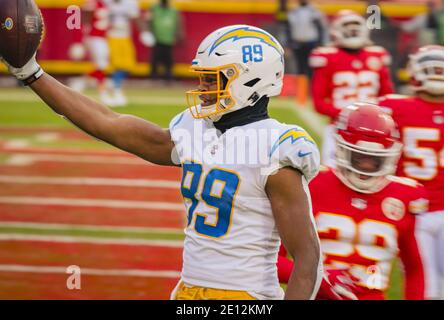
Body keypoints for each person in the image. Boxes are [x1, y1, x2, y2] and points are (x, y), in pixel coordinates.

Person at [1, 24, 323, 300]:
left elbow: (306, 257)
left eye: (212, 80)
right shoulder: (195, 130)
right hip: (189, 290)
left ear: (250, 81)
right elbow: (107, 123)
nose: (202, 88)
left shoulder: (275, 149)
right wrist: (32, 74)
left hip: (246, 294)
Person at [278, 103, 428, 300]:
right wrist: (320, 277)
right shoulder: (313, 184)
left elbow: (414, 268)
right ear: (341, 149)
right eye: (359, 157)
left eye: (375, 160)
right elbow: (272, 260)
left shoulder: (404, 196)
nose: (366, 165)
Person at [378, 45, 444, 299]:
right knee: (426, 286)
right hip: (417, 212)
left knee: (426, 287)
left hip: (413, 209)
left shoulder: (393, 107)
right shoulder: (395, 107)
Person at [309, 10, 394, 167]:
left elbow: (387, 97)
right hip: (339, 128)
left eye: (355, 26)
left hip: (375, 130)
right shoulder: (328, 57)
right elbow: (318, 103)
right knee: (333, 174)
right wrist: (351, 116)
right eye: (348, 27)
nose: (353, 31)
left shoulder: (377, 55)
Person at [106, 0, 147, 107]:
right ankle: (117, 89)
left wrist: (144, 32)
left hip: (124, 36)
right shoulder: (105, 2)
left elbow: (136, 18)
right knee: (115, 64)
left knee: (128, 64)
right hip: (110, 36)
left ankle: (113, 85)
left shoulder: (130, 2)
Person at [287, 0, 328, 78]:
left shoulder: (315, 12)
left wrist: (322, 44)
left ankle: (312, 89)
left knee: (312, 68)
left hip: (312, 44)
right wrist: (287, 45)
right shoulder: (293, 12)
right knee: (299, 69)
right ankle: (301, 89)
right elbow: (288, 29)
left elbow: (322, 29)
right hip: (297, 43)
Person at [148, 0, 184, 81]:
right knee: (155, 58)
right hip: (157, 38)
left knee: (168, 59)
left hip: (168, 38)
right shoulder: (154, 8)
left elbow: (178, 22)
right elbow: (149, 20)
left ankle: (168, 76)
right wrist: (148, 32)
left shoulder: (173, 10)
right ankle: (154, 77)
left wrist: (179, 34)